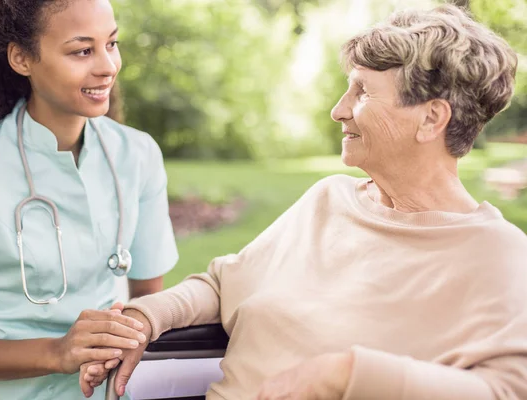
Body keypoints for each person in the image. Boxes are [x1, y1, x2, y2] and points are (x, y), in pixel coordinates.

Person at [84, 4, 527, 400]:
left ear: (431, 118)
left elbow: (505, 390)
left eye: (363, 93)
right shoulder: (329, 200)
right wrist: (144, 318)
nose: (339, 109)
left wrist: (350, 374)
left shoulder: (495, 254)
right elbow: (224, 284)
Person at [0, 0, 178, 399]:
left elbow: (152, 302)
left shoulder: (138, 155)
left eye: (111, 44)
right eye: (82, 50)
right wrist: (57, 353)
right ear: (22, 58)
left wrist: (133, 331)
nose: (108, 66)